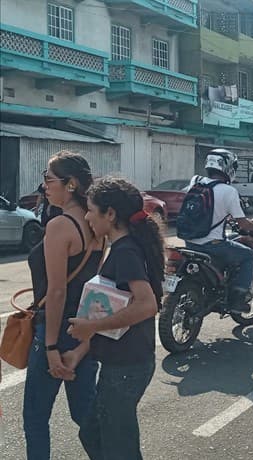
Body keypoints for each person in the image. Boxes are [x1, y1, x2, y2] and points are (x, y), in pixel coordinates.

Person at [66, 177, 164, 460]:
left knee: (119, 448)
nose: (86, 216)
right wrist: (80, 350)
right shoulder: (124, 247)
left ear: (110, 214)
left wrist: (91, 326)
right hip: (122, 362)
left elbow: (147, 305)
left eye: (91, 210)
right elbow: (111, 310)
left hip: (126, 367)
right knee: (93, 434)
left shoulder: (127, 252)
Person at [23, 151, 103, 460]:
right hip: (84, 330)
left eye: (48, 179)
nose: (44, 187)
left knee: (35, 418)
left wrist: (51, 346)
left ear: (70, 184)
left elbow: (57, 292)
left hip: (55, 330)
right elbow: (95, 286)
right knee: (85, 415)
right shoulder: (95, 222)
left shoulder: (61, 225)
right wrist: (84, 342)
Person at [182, 150, 253, 313]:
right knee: (247, 255)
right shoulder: (229, 191)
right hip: (212, 245)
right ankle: (236, 301)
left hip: (189, 241)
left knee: (232, 238)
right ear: (228, 168)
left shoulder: (196, 181)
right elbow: (243, 223)